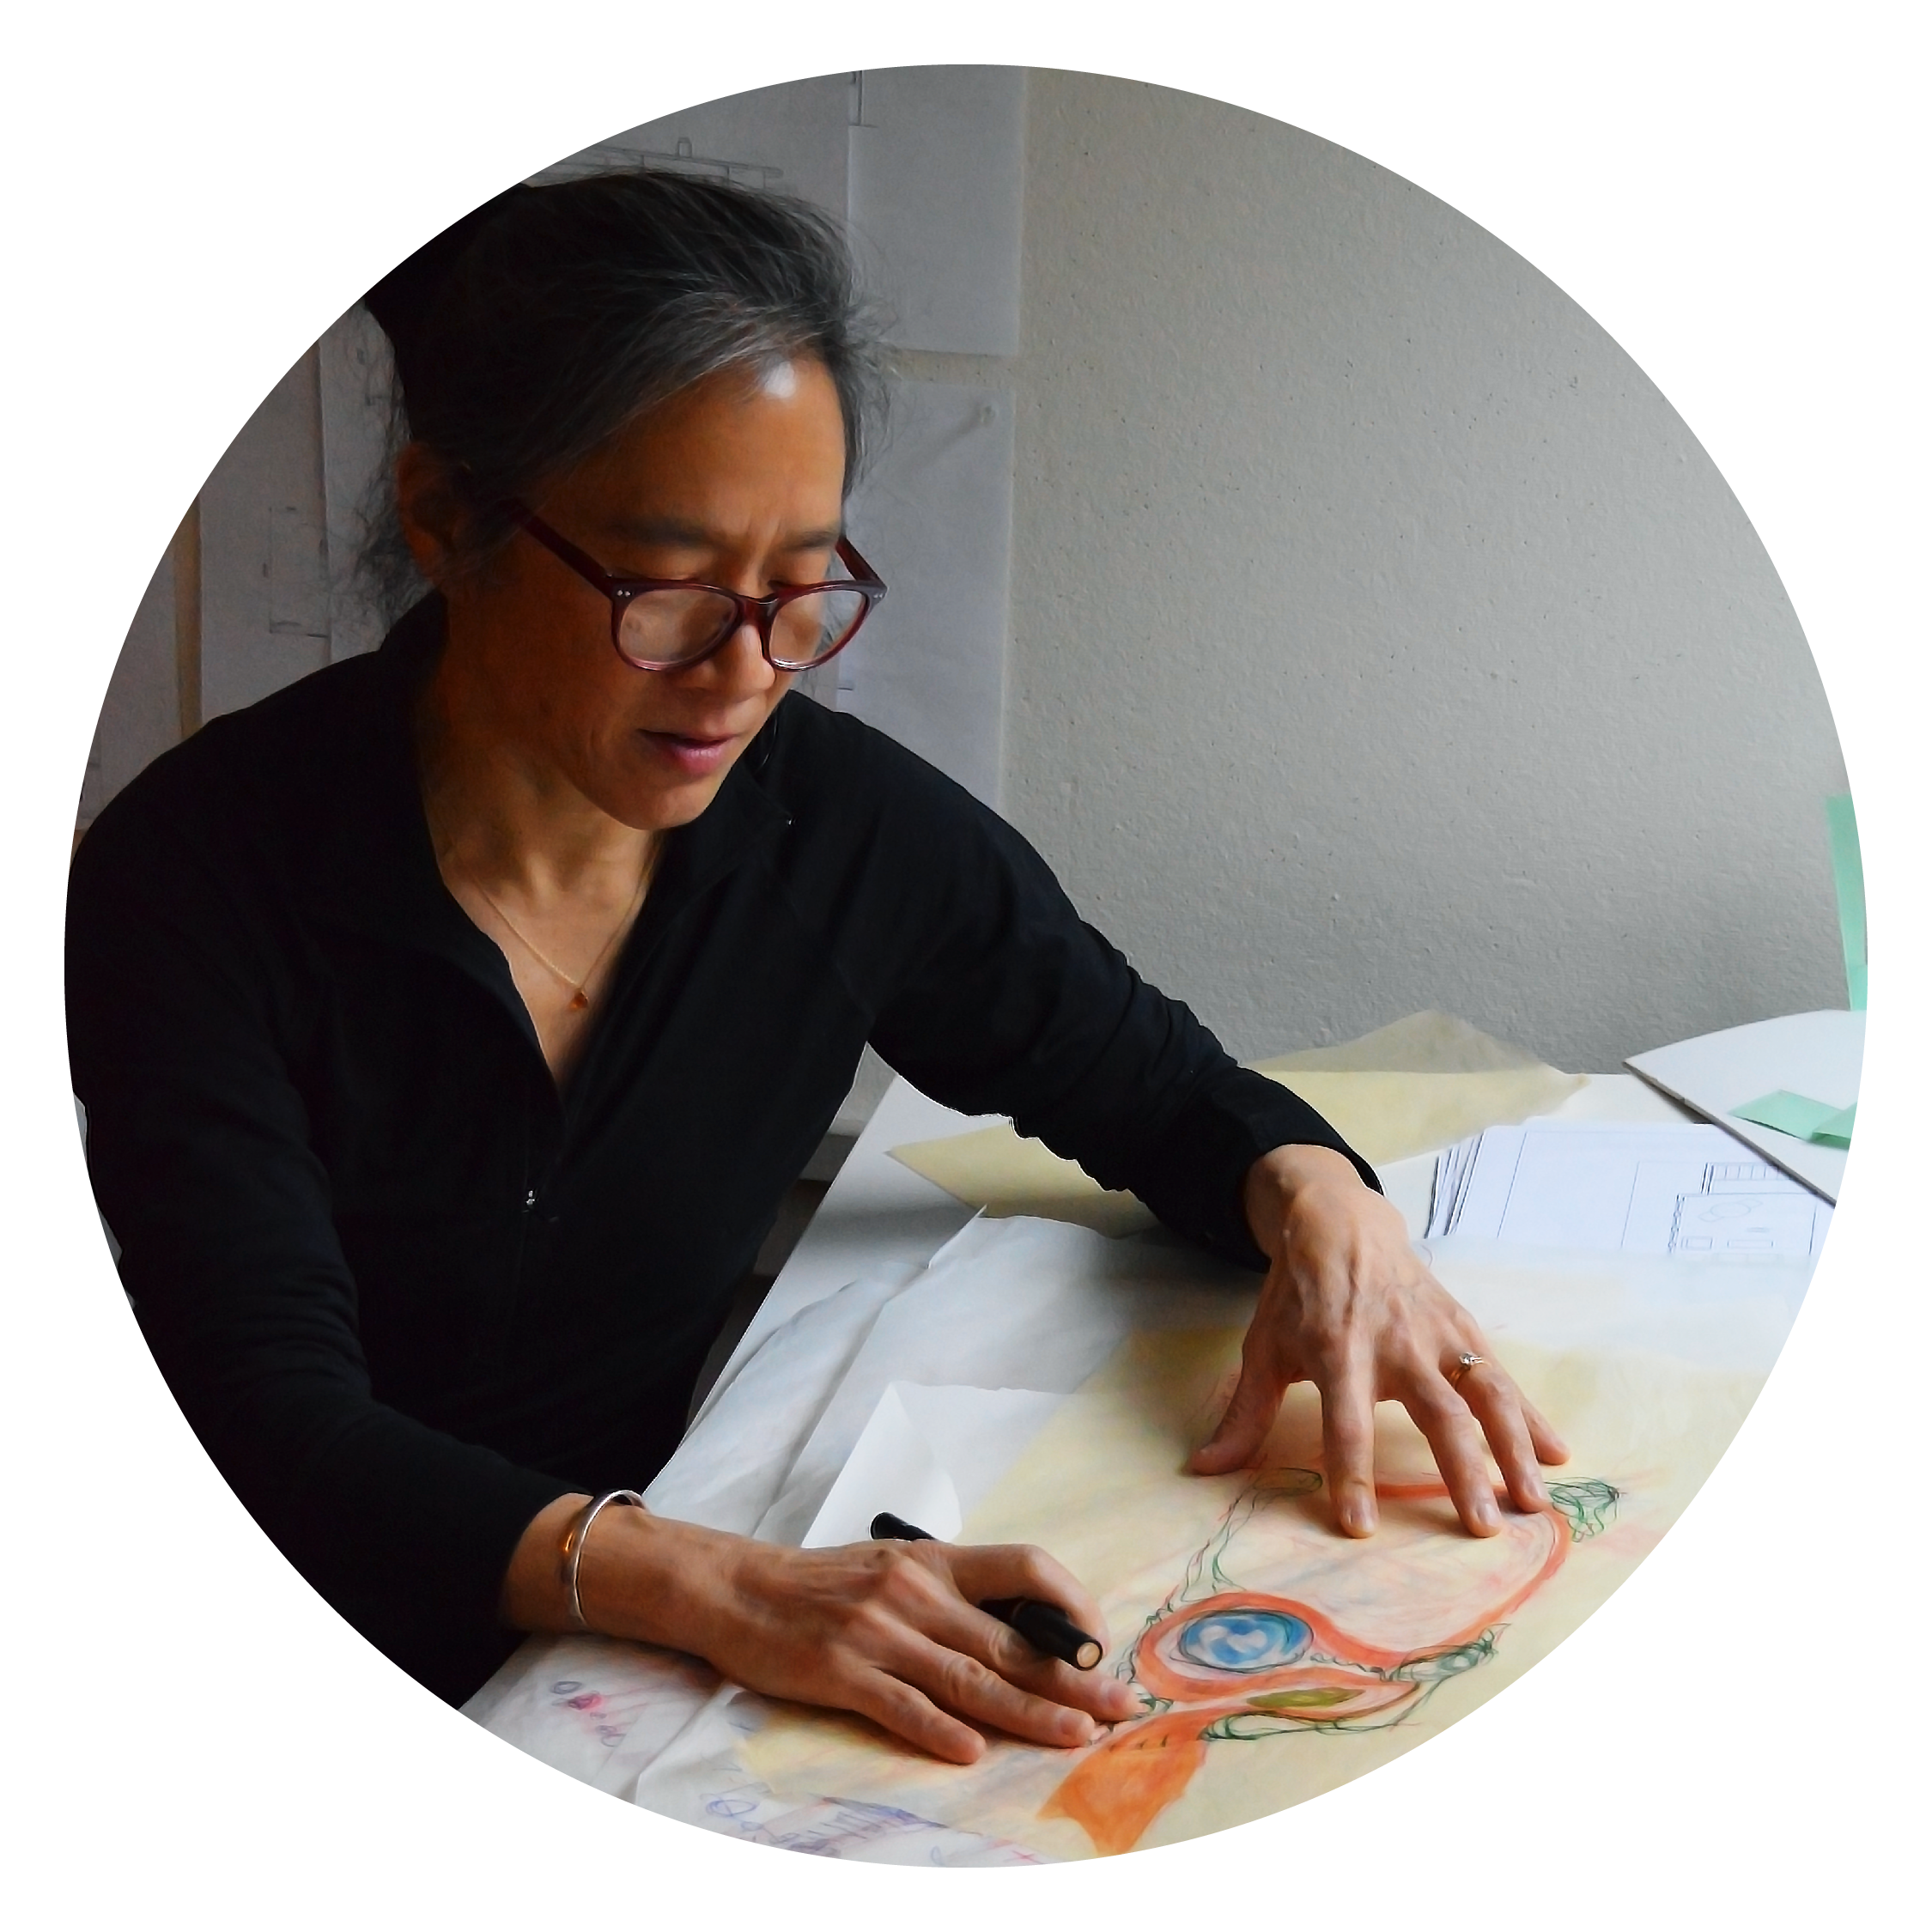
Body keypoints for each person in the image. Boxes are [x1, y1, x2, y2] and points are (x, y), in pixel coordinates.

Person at [65, 170, 1567, 1764]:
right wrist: (725, 1588)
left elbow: (1157, 1087)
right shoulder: (196, 875)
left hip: (629, 1675)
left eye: (803, 585)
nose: (745, 672)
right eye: (669, 590)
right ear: (448, 523)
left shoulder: (835, 835)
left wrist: (1326, 1209)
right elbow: (269, 1422)